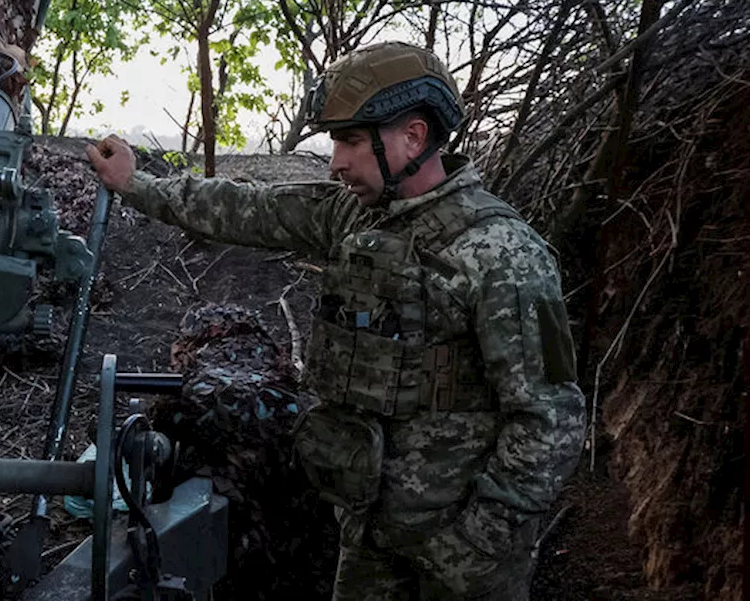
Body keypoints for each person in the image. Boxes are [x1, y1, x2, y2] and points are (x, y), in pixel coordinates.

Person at [85, 42, 585, 600]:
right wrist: (136, 183)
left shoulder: (501, 254)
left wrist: (475, 543)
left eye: (350, 141)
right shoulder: (353, 214)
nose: (337, 162)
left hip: (461, 559)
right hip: (368, 536)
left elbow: (550, 419)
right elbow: (248, 209)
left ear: (414, 137)